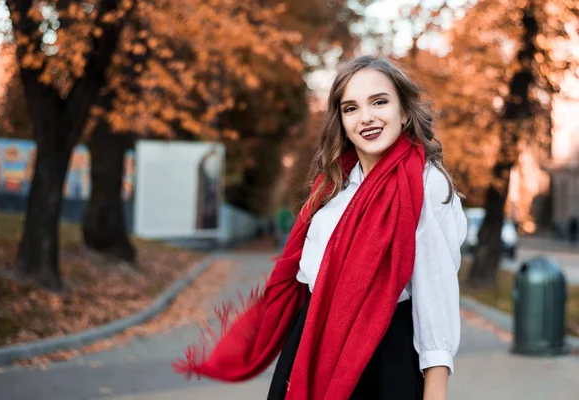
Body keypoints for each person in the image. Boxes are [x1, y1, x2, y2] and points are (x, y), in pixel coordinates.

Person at [174, 56, 467, 400]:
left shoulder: (425, 185)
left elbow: (436, 299)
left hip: (381, 353)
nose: (367, 117)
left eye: (379, 102)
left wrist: (435, 391)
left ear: (404, 112)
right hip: (311, 343)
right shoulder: (332, 187)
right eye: (351, 108)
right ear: (341, 122)